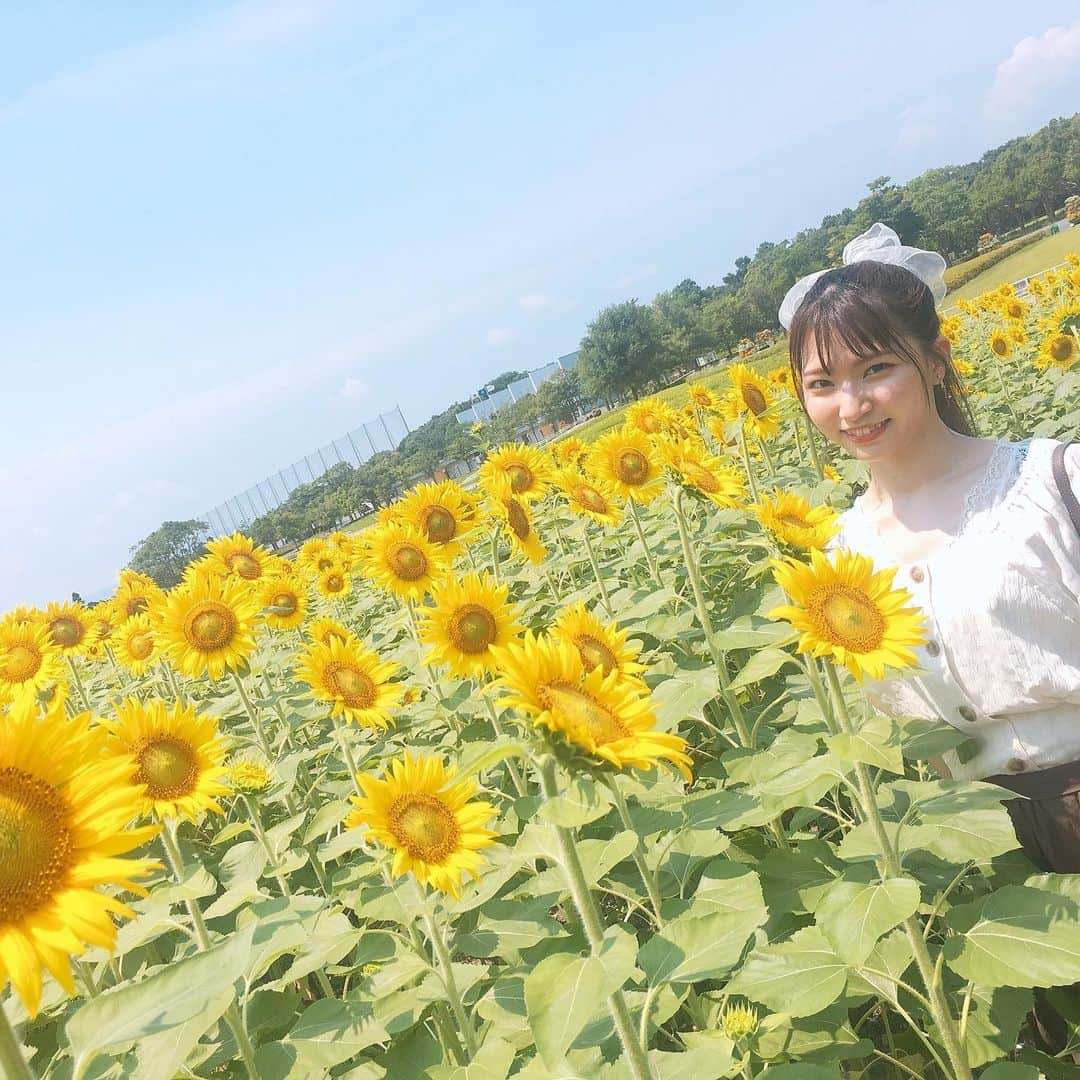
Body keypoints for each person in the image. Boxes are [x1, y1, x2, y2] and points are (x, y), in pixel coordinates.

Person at [778, 223, 1080, 1052]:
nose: (853, 404)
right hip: (970, 850)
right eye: (823, 382)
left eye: (876, 369)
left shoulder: (1052, 481)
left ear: (935, 363)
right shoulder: (836, 561)